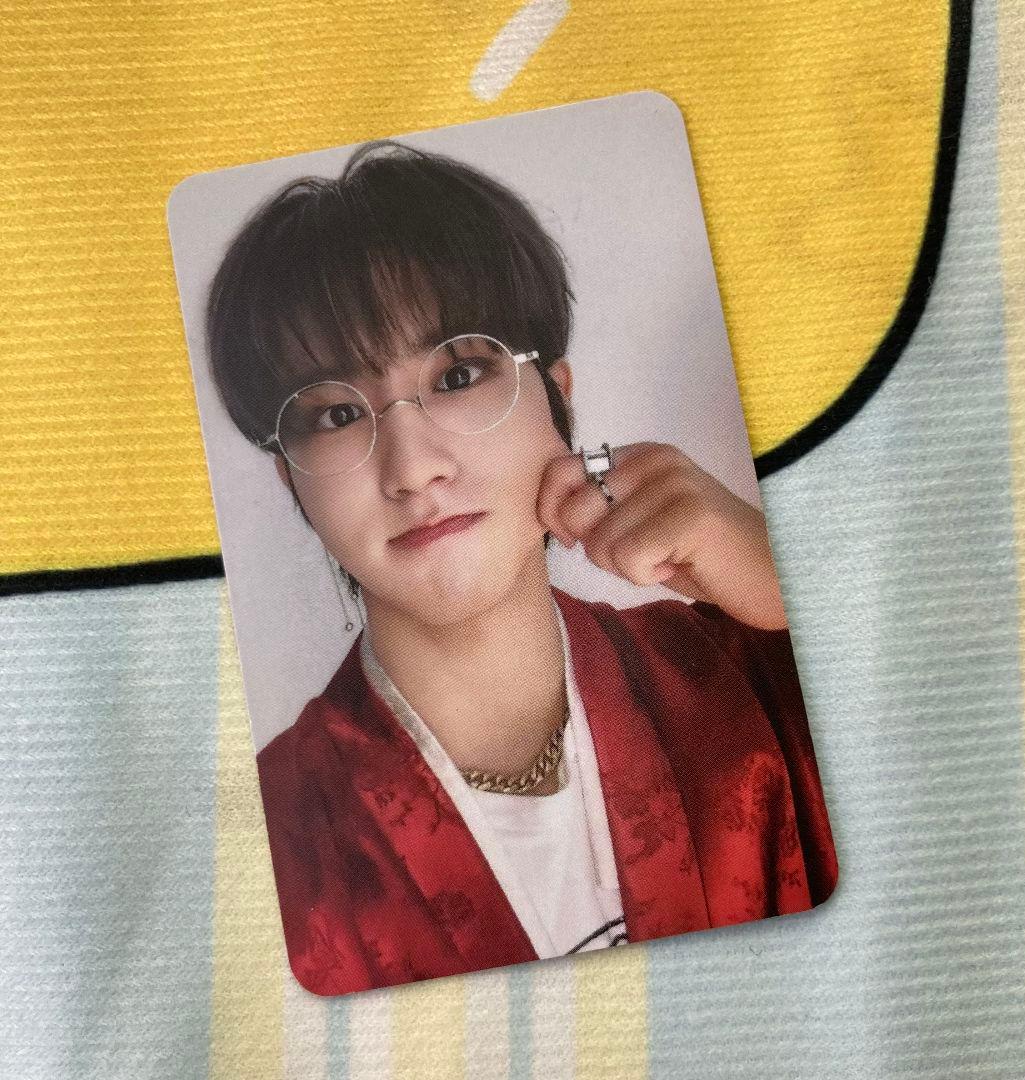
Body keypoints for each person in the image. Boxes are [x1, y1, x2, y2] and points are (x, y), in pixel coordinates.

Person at [205, 139, 838, 997]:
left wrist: (801, 587)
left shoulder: (759, 669)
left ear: (557, 399)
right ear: (292, 481)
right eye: (337, 415)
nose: (413, 469)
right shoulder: (261, 845)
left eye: (459, 374)